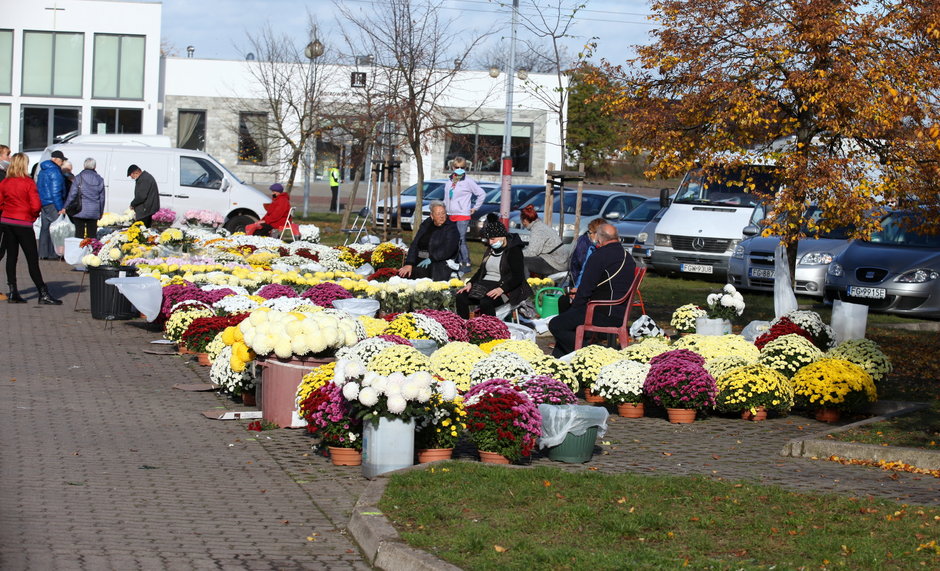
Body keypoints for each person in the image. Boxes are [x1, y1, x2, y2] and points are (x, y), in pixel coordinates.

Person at [549, 223, 635, 357]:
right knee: (565, 305)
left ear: (599, 238)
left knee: (556, 324)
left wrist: (575, 306)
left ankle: (590, 354)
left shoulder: (599, 256)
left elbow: (585, 289)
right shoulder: (627, 256)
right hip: (618, 309)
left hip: (601, 312)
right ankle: (558, 357)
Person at [0, 153, 63, 304]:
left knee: (11, 257)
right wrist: (32, 216)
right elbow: (35, 205)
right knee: (32, 260)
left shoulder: (5, 182)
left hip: (7, 221)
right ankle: (43, 293)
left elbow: (1, 202)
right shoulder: (28, 183)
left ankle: (13, 291)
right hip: (23, 222)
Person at [455, 213, 531, 319]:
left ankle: (490, 330)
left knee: (486, 302)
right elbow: (481, 270)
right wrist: (470, 283)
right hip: (485, 285)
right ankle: (463, 326)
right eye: (489, 239)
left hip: (506, 288)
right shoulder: (491, 250)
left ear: (503, 236)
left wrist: (501, 289)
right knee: (461, 297)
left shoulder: (514, 251)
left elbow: (517, 277)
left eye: (493, 239)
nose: (491, 242)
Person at [443, 159, 487, 275]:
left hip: (462, 215)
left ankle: (466, 263)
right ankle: (454, 261)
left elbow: (481, 194)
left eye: (461, 167)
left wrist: (475, 208)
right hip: (450, 214)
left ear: (465, 168)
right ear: (452, 167)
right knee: (451, 239)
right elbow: (447, 197)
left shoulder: (468, 181)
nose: (458, 169)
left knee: (460, 239)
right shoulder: (450, 181)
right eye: (456, 167)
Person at [399, 201, 460, 281]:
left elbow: (448, 249)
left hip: (437, 263)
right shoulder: (426, 224)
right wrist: (409, 263)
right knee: (402, 275)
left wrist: (432, 258)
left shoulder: (451, 228)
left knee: (420, 275)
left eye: (443, 213)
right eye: (438, 214)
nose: (441, 216)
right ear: (432, 216)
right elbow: (415, 244)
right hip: (419, 260)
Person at [520, 204, 569, 276]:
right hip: (560, 260)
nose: (522, 223)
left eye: (522, 221)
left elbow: (532, 253)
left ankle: (526, 285)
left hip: (556, 263)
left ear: (525, 220)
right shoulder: (540, 225)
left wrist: (516, 253)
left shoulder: (537, 230)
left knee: (521, 261)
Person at [37, 149, 68, 259]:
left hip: (44, 203)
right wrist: (60, 207)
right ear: (56, 159)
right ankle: (54, 253)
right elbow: (56, 191)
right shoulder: (55, 171)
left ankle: (42, 253)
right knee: (56, 229)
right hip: (53, 204)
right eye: (62, 161)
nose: (62, 163)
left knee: (45, 229)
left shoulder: (43, 170)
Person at [64, 158, 106, 239]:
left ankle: (79, 250)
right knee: (92, 236)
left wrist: (65, 207)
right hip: (94, 211)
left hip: (79, 210)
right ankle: (91, 250)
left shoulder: (78, 178)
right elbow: (102, 198)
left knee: (79, 234)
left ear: (84, 166)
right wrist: (100, 212)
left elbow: (72, 194)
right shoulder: (99, 179)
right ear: (95, 167)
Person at [568, 217, 607, 287]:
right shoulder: (590, 247)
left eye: (590, 233)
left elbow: (584, 271)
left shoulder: (593, 248)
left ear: (598, 234)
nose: (588, 235)